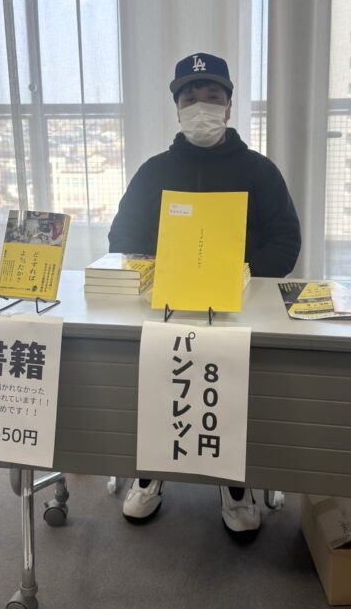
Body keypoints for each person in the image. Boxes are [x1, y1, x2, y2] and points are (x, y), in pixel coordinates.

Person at [108, 52, 301, 535]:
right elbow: (123, 238)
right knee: (154, 375)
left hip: (238, 306)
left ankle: (234, 481)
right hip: (164, 305)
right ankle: (150, 471)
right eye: (189, 98)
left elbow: (285, 242)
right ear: (177, 108)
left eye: (212, 97)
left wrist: (240, 276)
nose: (201, 107)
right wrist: (159, 274)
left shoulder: (259, 170)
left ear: (229, 106)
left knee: (232, 385)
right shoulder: (154, 171)